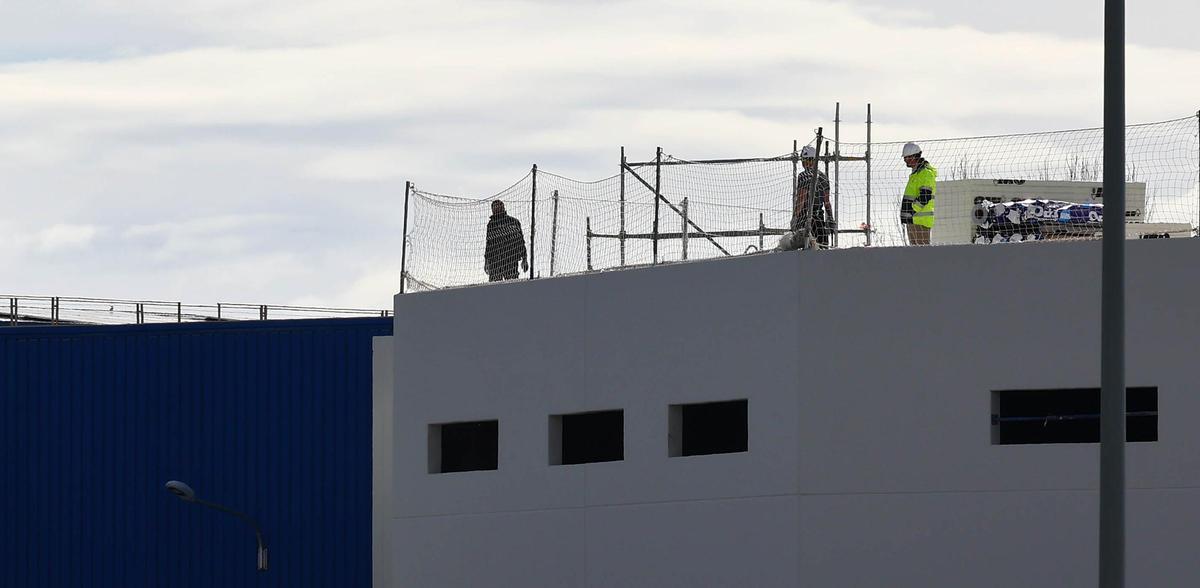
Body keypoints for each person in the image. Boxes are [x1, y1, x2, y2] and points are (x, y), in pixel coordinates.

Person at [786, 145, 834, 250]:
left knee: (803, 252)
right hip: (819, 222)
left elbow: (801, 199)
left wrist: (795, 217)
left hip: (805, 222)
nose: (803, 163)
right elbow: (827, 202)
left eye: (803, 160)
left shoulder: (804, 176)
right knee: (822, 250)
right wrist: (831, 219)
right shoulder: (823, 177)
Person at [900, 142, 937, 245]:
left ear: (915, 156)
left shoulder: (925, 173)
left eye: (908, 158)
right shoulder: (916, 174)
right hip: (913, 220)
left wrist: (912, 210)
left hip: (920, 220)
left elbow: (925, 196)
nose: (905, 160)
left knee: (922, 252)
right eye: (905, 158)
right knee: (915, 252)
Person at [484, 200, 529, 281]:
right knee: (494, 284)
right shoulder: (491, 225)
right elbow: (489, 244)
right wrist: (486, 261)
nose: (497, 209)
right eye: (494, 207)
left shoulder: (513, 222)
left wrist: (524, 258)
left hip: (511, 258)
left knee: (511, 284)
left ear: (503, 207)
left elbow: (520, 241)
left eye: (499, 206)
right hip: (495, 261)